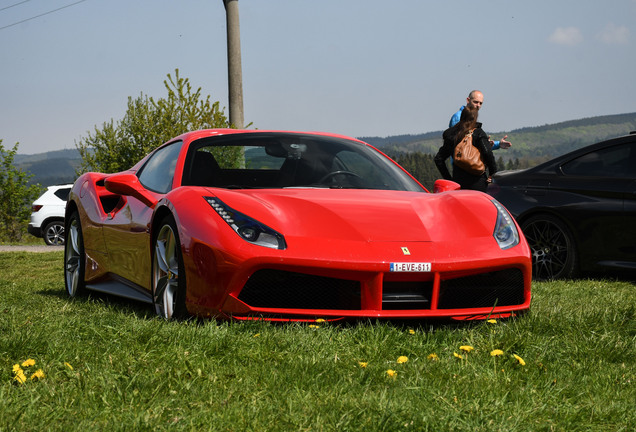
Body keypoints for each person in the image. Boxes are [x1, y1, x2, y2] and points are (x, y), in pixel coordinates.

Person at [435, 106, 497, 192]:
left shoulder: (451, 135)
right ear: (475, 117)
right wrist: (492, 174)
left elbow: (439, 159)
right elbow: (487, 153)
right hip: (478, 183)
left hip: (458, 183)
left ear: (462, 116)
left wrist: (449, 179)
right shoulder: (478, 133)